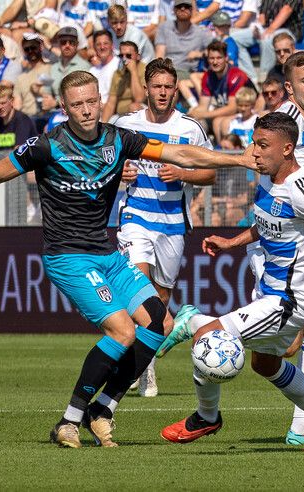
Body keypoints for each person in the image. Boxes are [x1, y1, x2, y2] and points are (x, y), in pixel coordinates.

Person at [0, 70, 255, 449]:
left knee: (159, 321)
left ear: (100, 99)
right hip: (67, 257)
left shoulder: (117, 139)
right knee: (123, 331)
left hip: (105, 254)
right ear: (64, 108)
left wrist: (239, 159)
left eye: (92, 101)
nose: (87, 110)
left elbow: (182, 153)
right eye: (78, 104)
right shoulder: (46, 145)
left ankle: (102, 409)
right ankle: (70, 420)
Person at [158, 51, 304, 447]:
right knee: (267, 361)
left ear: (285, 149)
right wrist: (233, 240)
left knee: (209, 337)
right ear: (290, 86)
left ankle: (207, 414)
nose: (252, 154)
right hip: (277, 281)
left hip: (290, 297)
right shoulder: (286, 142)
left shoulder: (296, 167)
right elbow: (274, 216)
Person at [106, 57, 216, 398]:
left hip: (172, 223)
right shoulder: (126, 124)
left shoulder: (189, 128)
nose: (163, 92)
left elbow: (210, 173)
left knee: (162, 298)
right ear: (147, 88)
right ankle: (144, 372)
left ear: (176, 89)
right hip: (135, 217)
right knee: (140, 290)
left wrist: (183, 174)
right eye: (157, 86)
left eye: (169, 86)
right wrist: (119, 173)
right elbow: (106, 163)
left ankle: (145, 361)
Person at [0, 85, 38, 151]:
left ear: (11, 101)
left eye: (3, 103)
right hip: (3, 159)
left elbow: (19, 151)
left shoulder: (22, 120)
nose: (0, 107)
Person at [101, 41, 146, 121]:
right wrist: (103, 125)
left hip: (141, 112)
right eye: (121, 55)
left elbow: (139, 99)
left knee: (134, 107)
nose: (124, 59)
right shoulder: (118, 73)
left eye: (128, 55)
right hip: (121, 115)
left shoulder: (145, 70)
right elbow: (111, 103)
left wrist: (133, 71)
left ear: (138, 56)